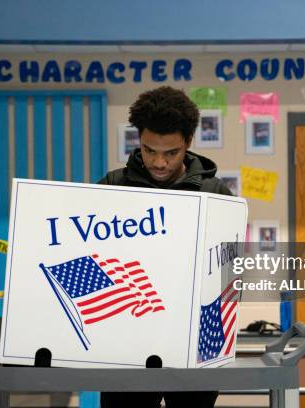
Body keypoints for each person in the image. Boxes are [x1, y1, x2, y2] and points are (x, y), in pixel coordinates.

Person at [98, 86, 232, 408]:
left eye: (170, 152)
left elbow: (228, 274)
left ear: (187, 143)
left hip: (194, 343)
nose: (159, 162)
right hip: (125, 344)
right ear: (138, 141)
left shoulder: (216, 195)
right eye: (149, 150)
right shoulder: (111, 188)